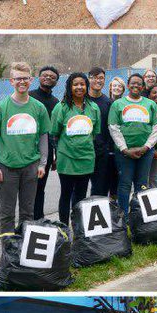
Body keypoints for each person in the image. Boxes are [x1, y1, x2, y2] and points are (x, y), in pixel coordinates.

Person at [0, 62, 50, 234]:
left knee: (27, 211)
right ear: (11, 81)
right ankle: (8, 248)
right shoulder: (0, 108)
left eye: (25, 78)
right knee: (7, 212)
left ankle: (24, 246)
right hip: (7, 167)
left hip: (31, 166)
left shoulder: (38, 107)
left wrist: (42, 164)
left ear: (31, 80)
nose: (22, 82)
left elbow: (44, 135)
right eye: (18, 78)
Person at [50, 71, 101, 224]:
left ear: (87, 86)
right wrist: (62, 151)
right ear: (70, 87)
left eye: (82, 84)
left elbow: (94, 133)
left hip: (86, 159)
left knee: (81, 196)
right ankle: (64, 228)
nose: (79, 87)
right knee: (66, 194)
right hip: (66, 160)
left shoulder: (93, 108)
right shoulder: (61, 108)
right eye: (75, 84)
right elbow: (54, 134)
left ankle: (78, 227)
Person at [109, 73, 157, 217]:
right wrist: (125, 149)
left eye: (139, 83)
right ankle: (123, 217)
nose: (136, 85)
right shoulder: (117, 104)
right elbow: (113, 127)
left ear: (143, 86)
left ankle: (139, 215)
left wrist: (146, 147)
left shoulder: (150, 104)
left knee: (142, 184)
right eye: (133, 83)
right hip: (124, 153)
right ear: (128, 85)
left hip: (146, 152)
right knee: (125, 184)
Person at [29, 65, 61, 221]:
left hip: (45, 153)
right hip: (27, 151)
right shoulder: (29, 96)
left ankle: (38, 219)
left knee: (40, 188)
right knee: (25, 189)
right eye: (45, 75)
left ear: (56, 81)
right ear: (38, 77)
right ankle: (24, 220)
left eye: (52, 76)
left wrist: (54, 155)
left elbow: (54, 131)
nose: (48, 77)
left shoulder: (56, 102)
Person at [86, 67, 114, 198]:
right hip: (83, 151)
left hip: (102, 153)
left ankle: (97, 218)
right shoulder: (81, 100)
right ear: (89, 79)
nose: (98, 80)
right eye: (95, 77)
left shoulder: (109, 103)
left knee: (100, 190)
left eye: (101, 78)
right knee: (78, 188)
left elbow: (111, 129)